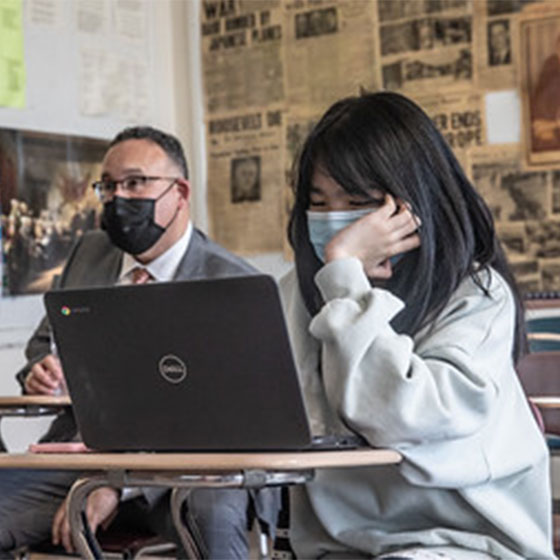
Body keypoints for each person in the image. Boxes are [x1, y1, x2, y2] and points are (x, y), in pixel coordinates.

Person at [279, 92, 553, 559]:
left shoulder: (478, 295)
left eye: (356, 202)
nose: (333, 225)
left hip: (466, 542)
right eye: (318, 202)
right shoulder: (303, 292)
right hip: (342, 546)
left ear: (409, 207)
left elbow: (403, 415)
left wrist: (346, 276)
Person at [0, 126, 279, 557]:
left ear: (180, 192)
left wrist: (121, 483)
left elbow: (232, 416)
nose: (117, 198)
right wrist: (42, 372)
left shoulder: (234, 283)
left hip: (191, 470)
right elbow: (44, 344)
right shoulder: (90, 254)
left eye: (134, 183)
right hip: (81, 454)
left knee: (215, 514)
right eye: (108, 186)